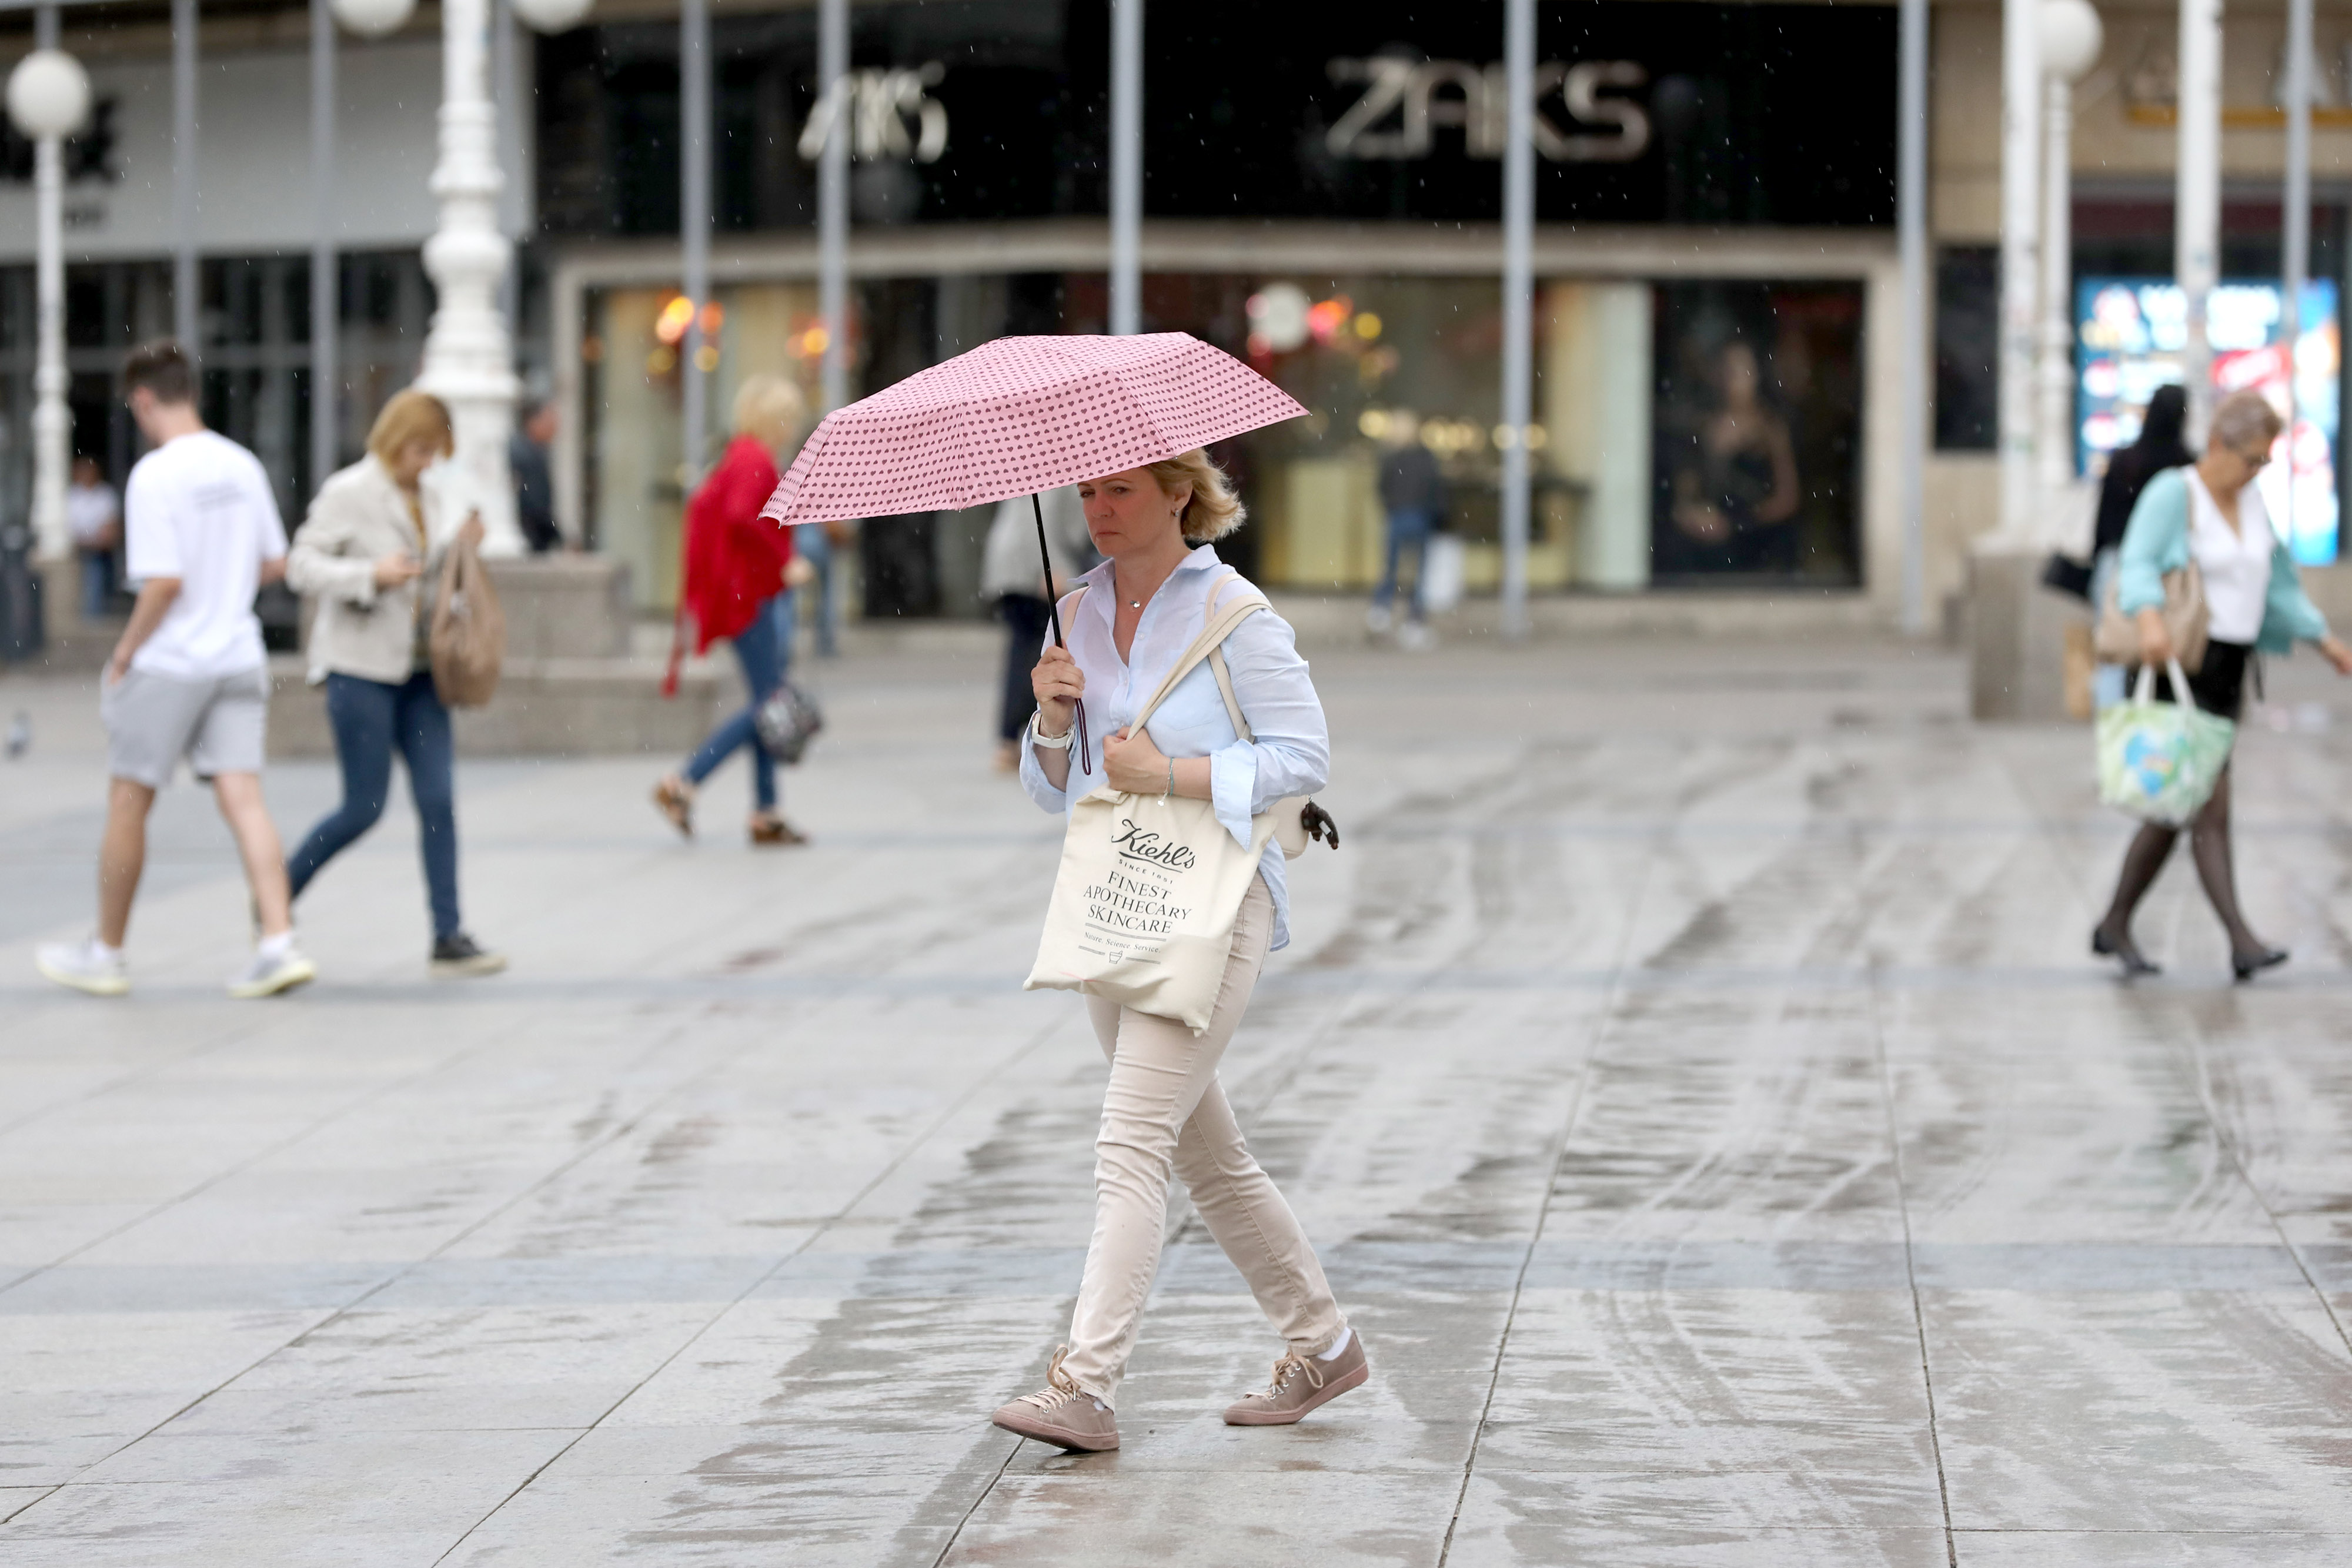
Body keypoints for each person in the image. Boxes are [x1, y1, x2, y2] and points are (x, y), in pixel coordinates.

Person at [992, 450, 1362, 1454]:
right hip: (1118, 897)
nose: (1097, 510)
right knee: (1209, 1156)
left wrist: (1174, 771)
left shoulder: (1234, 612)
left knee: (1130, 1142)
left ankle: (1086, 1383)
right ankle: (1323, 1344)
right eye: (1085, 492)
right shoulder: (1072, 609)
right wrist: (1053, 719)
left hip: (1214, 903)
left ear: (1177, 495)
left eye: (1119, 490)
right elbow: (1052, 789)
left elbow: (1303, 754)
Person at [35, 340, 316, 1000]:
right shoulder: (241, 464)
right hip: (237, 653)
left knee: (130, 798)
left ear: (142, 400)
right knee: (244, 799)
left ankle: (107, 952)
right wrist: (226, 583)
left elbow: (163, 582)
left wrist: (126, 651)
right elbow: (274, 561)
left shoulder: (155, 475)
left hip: (172, 660)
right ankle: (278, 942)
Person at [2092, 389, 2352, 980]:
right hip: (2179, 663)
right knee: (2207, 804)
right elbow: (2135, 561)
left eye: (2264, 462)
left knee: (2173, 806)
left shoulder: (2253, 502)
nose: (2255, 471)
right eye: (2250, 459)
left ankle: (2114, 921)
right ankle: (2241, 939)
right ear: (2217, 444)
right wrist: (2151, 618)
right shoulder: (2174, 493)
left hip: (2229, 669)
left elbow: (2278, 585)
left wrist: (2324, 640)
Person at [282, 389, 506, 978]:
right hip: (360, 669)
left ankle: (448, 935)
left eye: (436, 453)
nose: (428, 462)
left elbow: (423, 576)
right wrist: (367, 576)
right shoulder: (350, 492)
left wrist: (461, 548)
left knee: (439, 801)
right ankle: (276, 895)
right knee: (364, 806)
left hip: (422, 673)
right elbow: (300, 564)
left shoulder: (429, 496)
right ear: (396, 439)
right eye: (422, 449)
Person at [654, 375, 808, 845]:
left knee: (769, 701)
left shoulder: (741, 454)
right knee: (769, 705)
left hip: (740, 595)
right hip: (750, 599)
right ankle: (684, 782)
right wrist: (787, 560)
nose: (792, 427)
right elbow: (745, 517)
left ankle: (765, 810)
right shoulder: (755, 459)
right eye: (789, 417)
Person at [2089, 385, 2194, 707]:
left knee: (2115, 644)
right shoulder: (2186, 464)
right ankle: (2155, 712)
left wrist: (2098, 560)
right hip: (2167, 569)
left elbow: (2103, 520)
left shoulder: (2124, 460)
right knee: (2161, 645)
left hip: (2116, 559)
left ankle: (2113, 719)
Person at [980, 485, 1094, 771]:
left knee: (1023, 650)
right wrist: (1051, 570)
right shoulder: (1067, 475)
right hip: (1036, 573)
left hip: (1007, 567)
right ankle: (1015, 741)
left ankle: (1010, 740)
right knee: (1032, 654)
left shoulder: (1027, 466)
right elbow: (1071, 528)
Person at [1668, 339, 1799, 574]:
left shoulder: (1770, 430)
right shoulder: (1704, 429)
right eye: (1728, 371)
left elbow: (1787, 499)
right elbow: (1685, 494)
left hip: (1758, 547)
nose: (1734, 381)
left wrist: (1739, 524)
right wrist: (1695, 517)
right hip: (1708, 550)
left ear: (1756, 375)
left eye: (1743, 372)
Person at [1368, 413, 1443, 649]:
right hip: (1420, 517)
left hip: (1398, 517)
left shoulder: (1391, 458)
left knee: (1391, 568)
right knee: (1418, 572)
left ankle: (1381, 612)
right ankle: (1414, 622)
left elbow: (1381, 487)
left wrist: (1392, 506)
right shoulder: (1426, 458)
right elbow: (1436, 488)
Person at [66, 454, 122, 620]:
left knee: (95, 569)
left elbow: (111, 526)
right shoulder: (72, 495)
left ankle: (93, 614)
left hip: (98, 548)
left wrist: (94, 539)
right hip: (76, 547)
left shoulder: (105, 494)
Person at [510, 399, 563, 554]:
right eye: (550, 422)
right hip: (530, 539)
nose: (555, 428)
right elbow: (535, 503)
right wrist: (555, 535)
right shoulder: (528, 456)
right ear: (533, 422)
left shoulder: (532, 452)